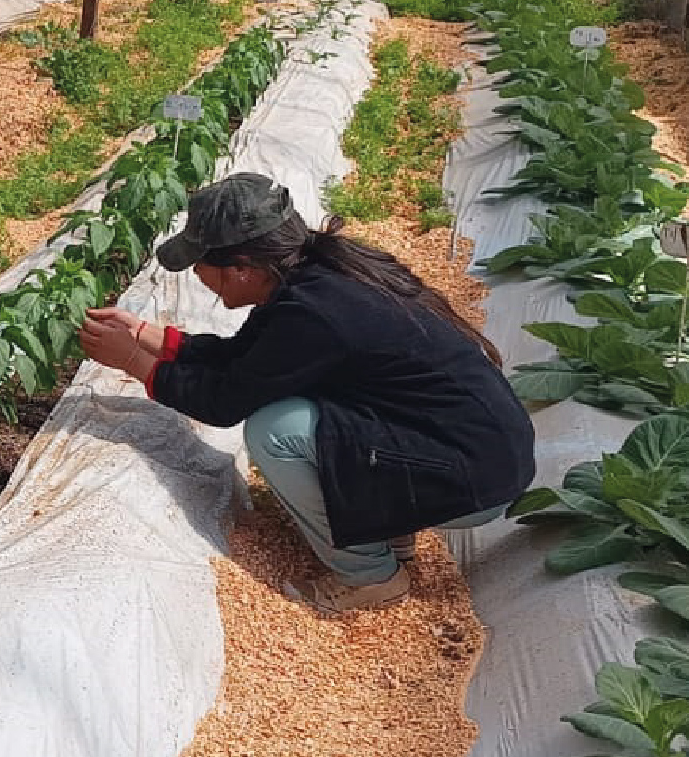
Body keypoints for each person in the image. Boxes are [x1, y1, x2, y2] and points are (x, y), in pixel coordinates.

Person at [79, 172, 535, 611]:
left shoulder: (314, 313)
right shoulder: (316, 272)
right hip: (479, 449)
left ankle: (368, 575)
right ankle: (390, 528)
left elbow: (220, 402)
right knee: (310, 406)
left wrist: (133, 362)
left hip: (474, 476)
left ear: (240, 269)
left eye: (201, 265)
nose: (197, 275)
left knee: (274, 430)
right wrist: (144, 334)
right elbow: (246, 357)